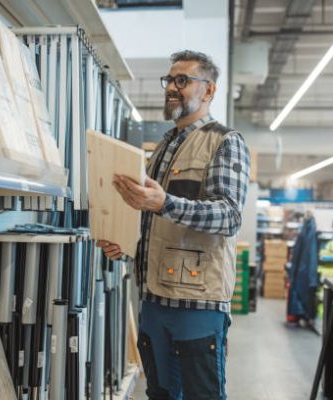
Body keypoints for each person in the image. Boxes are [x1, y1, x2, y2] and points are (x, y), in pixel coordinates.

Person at [97, 50, 250, 400]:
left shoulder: (225, 142)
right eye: (169, 80)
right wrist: (124, 247)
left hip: (197, 305)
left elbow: (228, 216)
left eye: (183, 80)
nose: (172, 87)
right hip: (153, 300)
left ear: (208, 91)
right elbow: (151, 222)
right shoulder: (164, 146)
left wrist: (166, 202)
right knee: (161, 395)